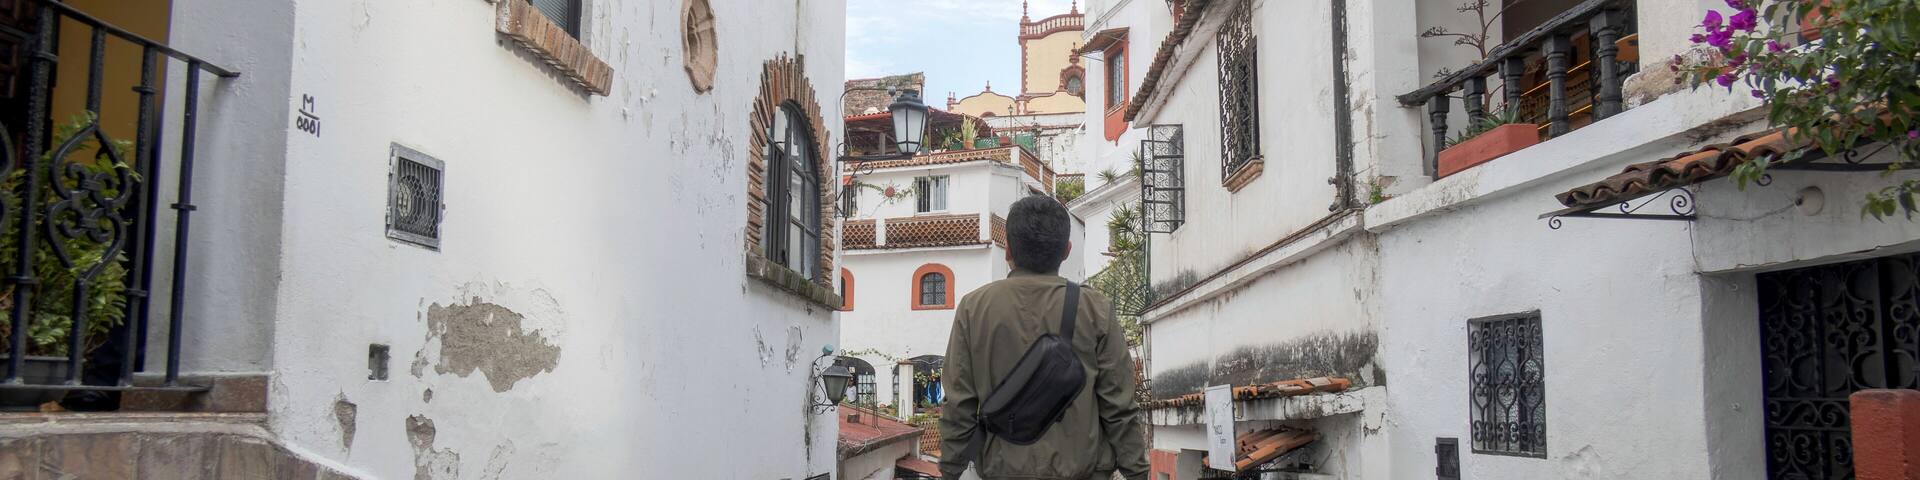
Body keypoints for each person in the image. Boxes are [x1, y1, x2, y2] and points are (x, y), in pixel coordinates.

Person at [939, 195, 1149, 480]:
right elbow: (1119, 406)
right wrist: (1136, 471)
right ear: (1066, 250)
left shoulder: (973, 308)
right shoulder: (1094, 308)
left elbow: (958, 405)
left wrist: (951, 469)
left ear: (1008, 250)